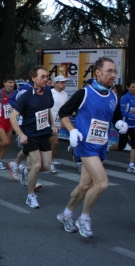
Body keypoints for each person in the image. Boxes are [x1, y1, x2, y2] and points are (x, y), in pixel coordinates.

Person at [56, 57, 127, 238]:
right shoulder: (84, 93)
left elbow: (115, 116)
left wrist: (119, 124)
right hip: (85, 145)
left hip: (101, 145)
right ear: (98, 72)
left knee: (84, 185)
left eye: (114, 72)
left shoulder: (113, 95)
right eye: (109, 71)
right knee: (101, 183)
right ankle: (84, 218)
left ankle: (66, 214)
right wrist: (71, 131)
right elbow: (63, 112)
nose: (113, 75)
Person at [10, 65, 56, 209]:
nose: (45, 79)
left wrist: (52, 125)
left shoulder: (48, 93)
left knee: (46, 166)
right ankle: (30, 196)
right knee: (36, 165)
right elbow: (13, 117)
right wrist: (21, 134)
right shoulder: (26, 96)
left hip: (43, 132)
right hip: (29, 133)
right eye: (42, 76)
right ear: (33, 78)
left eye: (46, 76)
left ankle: (25, 170)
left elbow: (48, 109)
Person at [108, 81, 134, 172]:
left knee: (134, 145)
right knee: (121, 146)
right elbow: (122, 112)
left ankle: (131, 165)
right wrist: (133, 116)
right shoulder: (124, 97)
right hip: (124, 125)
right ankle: (108, 148)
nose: (134, 89)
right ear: (128, 87)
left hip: (133, 125)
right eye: (132, 87)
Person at [49, 75, 69, 173]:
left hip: (57, 121)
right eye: (62, 82)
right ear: (55, 83)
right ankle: (48, 162)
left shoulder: (65, 94)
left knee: (53, 143)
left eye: (64, 82)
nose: (64, 84)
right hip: (48, 121)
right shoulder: (50, 92)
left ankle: (49, 162)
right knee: (54, 142)